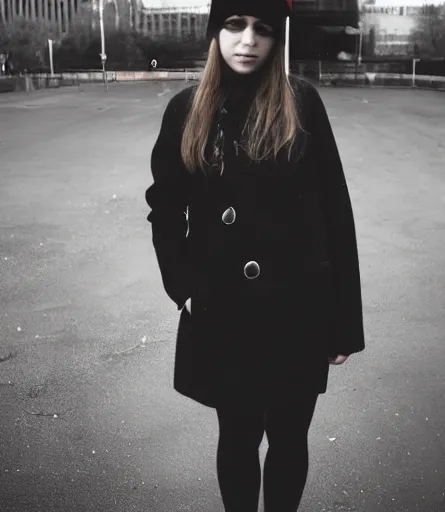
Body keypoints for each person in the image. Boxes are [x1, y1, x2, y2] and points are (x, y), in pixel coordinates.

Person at [145, 0, 365, 510]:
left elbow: (336, 213)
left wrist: (343, 322)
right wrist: (186, 290)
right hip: (226, 310)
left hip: (298, 307)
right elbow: (164, 210)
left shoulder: (301, 102)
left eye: (263, 29)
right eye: (234, 25)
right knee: (238, 438)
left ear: (279, 38)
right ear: (214, 32)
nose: (248, 41)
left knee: (290, 438)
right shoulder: (187, 108)